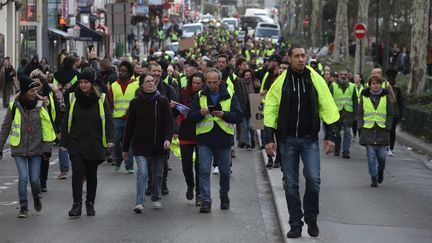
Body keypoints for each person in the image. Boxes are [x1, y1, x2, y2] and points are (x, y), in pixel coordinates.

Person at [263, 45, 339, 238]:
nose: (301, 59)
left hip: (309, 140)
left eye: (303, 56)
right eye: (296, 56)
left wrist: (331, 136)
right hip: (287, 140)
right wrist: (269, 138)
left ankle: (311, 218)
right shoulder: (281, 83)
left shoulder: (315, 80)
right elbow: (270, 110)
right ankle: (295, 223)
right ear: (290, 59)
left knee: (313, 180)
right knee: (291, 184)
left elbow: (327, 107)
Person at [60, 68, 114, 218]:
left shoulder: (101, 99)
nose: (83, 85)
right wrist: (63, 141)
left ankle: (90, 203)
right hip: (76, 142)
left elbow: (108, 120)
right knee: (77, 172)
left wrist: (110, 139)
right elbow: (66, 122)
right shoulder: (73, 98)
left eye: (86, 82)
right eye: (81, 82)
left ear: (92, 84)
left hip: (94, 142)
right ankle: (76, 205)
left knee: (91, 174)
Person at [187, 68, 242, 213]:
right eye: (209, 82)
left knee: (225, 172)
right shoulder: (200, 95)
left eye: (214, 82)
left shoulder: (230, 95)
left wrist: (224, 114)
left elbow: (238, 116)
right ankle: (206, 201)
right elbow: (190, 117)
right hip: (204, 139)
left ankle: (224, 195)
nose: (211, 85)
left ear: (220, 81)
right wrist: (200, 113)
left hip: (223, 139)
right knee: (204, 171)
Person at [0, 76, 56, 218]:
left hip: (36, 148)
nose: (34, 93)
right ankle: (23, 207)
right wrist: (0, 146)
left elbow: (47, 128)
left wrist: (47, 149)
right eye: (32, 90)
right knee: (23, 177)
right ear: (24, 92)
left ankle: (36, 197)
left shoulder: (40, 105)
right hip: (18, 148)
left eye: (36, 90)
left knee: (34, 179)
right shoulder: (14, 106)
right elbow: (6, 127)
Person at [122, 74, 173, 211]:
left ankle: (156, 197)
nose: (151, 83)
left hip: (159, 144)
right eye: (148, 81)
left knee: (157, 173)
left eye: (152, 81)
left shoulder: (162, 101)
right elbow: (129, 126)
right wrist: (125, 148)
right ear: (141, 85)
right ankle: (139, 202)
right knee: (143, 173)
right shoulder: (135, 103)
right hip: (140, 145)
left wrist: (168, 139)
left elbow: (169, 123)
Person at [357, 75, 393, 187]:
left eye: (377, 83)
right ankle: (373, 176)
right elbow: (360, 113)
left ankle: (380, 171)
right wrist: (360, 127)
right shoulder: (364, 96)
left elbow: (390, 113)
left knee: (382, 156)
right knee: (371, 155)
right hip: (368, 130)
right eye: (373, 83)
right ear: (369, 85)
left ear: (380, 84)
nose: (376, 85)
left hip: (382, 130)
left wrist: (388, 126)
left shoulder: (386, 96)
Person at [177, 71, 204, 206]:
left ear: (202, 84)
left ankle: (199, 194)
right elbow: (176, 111)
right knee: (186, 165)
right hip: (186, 133)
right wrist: (175, 107)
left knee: (200, 167)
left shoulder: (205, 95)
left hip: (201, 134)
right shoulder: (184, 93)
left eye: (198, 83)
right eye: (193, 82)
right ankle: (190, 184)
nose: (195, 85)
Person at [30, 69, 60, 193]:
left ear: (42, 83)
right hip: (33, 132)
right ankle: (35, 180)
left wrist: (57, 129)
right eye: (33, 84)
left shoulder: (49, 94)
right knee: (35, 157)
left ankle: (43, 182)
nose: (36, 87)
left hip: (47, 131)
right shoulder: (28, 95)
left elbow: (55, 111)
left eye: (38, 84)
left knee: (45, 157)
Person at [109, 61, 138, 174]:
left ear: (129, 72)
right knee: (116, 140)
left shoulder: (136, 85)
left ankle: (129, 165)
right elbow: (110, 103)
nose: (121, 73)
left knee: (129, 142)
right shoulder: (113, 86)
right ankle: (118, 160)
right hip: (117, 118)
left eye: (124, 71)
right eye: (119, 71)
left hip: (131, 119)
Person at [329, 69, 358, 158]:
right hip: (336, 113)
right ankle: (337, 149)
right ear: (338, 76)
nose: (343, 76)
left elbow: (355, 101)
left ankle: (346, 151)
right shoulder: (333, 86)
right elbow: (329, 101)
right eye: (341, 74)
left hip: (348, 114)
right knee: (337, 134)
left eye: (345, 74)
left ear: (348, 76)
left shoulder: (352, 86)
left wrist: (356, 114)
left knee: (347, 133)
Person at [386, 69, 404, 156]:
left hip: (395, 113)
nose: (391, 78)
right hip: (385, 112)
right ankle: (386, 146)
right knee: (386, 130)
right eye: (389, 77)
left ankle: (391, 148)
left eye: (392, 77)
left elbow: (401, 102)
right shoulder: (384, 87)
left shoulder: (397, 88)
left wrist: (401, 115)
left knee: (392, 131)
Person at [352, 73, 365, 140]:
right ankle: (354, 134)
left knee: (360, 121)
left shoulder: (364, 87)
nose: (355, 78)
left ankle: (360, 136)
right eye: (354, 77)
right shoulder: (352, 86)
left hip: (362, 107)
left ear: (360, 79)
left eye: (357, 77)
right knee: (354, 121)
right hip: (354, 106)